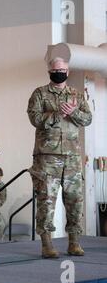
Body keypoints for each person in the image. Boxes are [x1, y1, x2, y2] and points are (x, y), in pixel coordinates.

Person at [27, 57, 92, 259]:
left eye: (63, 69)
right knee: (46, 201)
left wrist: (73, 112)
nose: (60, 72)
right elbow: (34, 118)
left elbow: (88, 119)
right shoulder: (40, 93)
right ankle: (47, 244)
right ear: (49, 71)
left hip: (72, 156)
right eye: (56, 69)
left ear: (68, 71)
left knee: (75, 201)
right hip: (47, 157)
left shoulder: (76, 94)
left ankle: (74, 242)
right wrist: (57, 115)